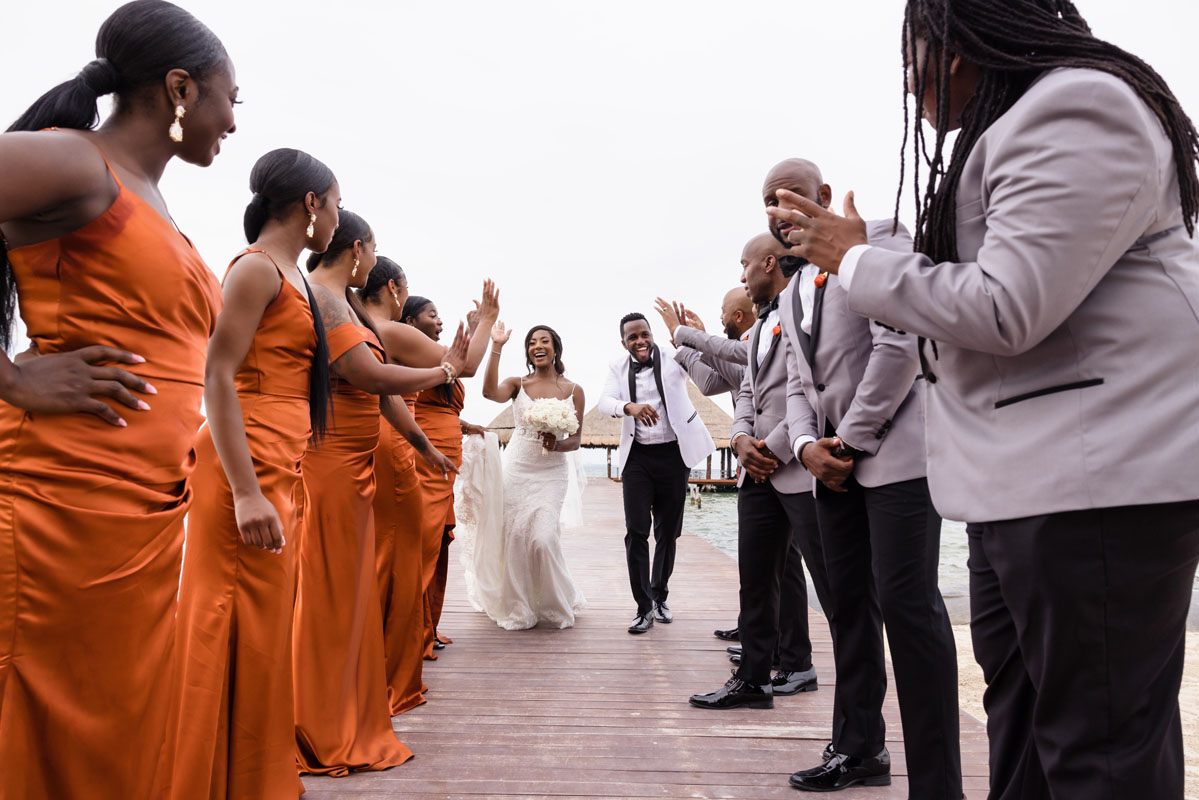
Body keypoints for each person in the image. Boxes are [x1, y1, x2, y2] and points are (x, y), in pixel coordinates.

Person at [767, 3, 1199, 797]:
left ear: (959, 44)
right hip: (1020, 483)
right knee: (1024, 723)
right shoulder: (1013, 123)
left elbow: (1008, 306)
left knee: (1096, 747)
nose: (908, 83)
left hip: (1095, 481)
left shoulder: (1077, 105)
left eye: (912, 58)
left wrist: (857, 261)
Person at [0, 4, 234, 797]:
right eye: (229, 98)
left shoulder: (149, 195)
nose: (233, 121)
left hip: (136, 526)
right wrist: (10, 375)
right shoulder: (77, 163)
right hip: (55, 509)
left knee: (112, 746)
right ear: (179, 90)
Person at [763, 158, 961, 796]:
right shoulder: (791, 293)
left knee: (910, 610)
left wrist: (849, 440)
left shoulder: (880, 240)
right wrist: (803, 445)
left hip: (896, 459)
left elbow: (898, 346)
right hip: (829, 471)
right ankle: (859, 750)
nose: (778, 210)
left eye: (789, 197)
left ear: (822, 195)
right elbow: (799, 383)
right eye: (767, 202)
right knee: (848, 608)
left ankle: (937, 784)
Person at [162, 148, 337, 800]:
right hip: (246, 469)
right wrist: (244, 492)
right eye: (335, 203)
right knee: (224, 622)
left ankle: (251, 775)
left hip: (280, 463)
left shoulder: (291, 274)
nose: (336, 218)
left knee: (263, 637)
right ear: (312, 203)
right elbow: (217, 375)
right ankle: (206, 780)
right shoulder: (255, 269)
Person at [294, 210, 465, 776]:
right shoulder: (321, 295)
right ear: (360, 249)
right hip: (331, 460)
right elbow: (366, 376)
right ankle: (317, 721)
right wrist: (444, 371)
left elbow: (381, 397)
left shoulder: (338, 298)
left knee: (353, 596)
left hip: (360, 461)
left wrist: (424, 446)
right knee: (331, 594)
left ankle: (349, 706)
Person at [688, 232, 833, 709]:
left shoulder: (805, 308)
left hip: (793, 468)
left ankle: (811, 674)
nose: (742, 274)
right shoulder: (759, 327)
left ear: (769, 263)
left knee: (827, 584)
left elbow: (808, 390)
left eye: (745, 265)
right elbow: (747, 391)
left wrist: (770, 449)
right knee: (756, 578)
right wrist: (739, 439)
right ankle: (753, 679)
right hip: (756, 470)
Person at [359, 258, 495, 712]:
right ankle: (390, 657)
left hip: (397, 442)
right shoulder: (391, 331)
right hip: (402, 447)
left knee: (399, 550)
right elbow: (466, 367)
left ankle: (405, 640)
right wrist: (488, 322)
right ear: (395, 290)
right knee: (408, 553)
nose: (435, 319)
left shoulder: (355, 325)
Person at [597, 313, 715, 634]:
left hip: (674, 455)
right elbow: (603, 402)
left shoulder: (673, 356)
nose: (640, 341)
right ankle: (643, 607)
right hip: (638, 459)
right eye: (633, 337)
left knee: (668, 531)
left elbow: (705, 368)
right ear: (624, 343)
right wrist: (629, 407)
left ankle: (660, 595)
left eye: (644, 334)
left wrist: (695, 335)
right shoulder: (617, 367)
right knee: (636, 530)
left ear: (652, 335)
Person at [473, 322, 587, 629]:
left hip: (552, 474)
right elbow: (487, 392)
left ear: (555, 348)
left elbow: (575, 440)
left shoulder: (574, 390)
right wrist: (496, 346)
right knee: (516, 537)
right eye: (532, 342)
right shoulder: (516, 385)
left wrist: (558, 443)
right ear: (527, 351)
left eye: (544, 341)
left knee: (542, 538)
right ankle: (520, 605)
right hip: (517, 470)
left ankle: (552, 600)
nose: (537, 346)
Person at [406, 294, 496, 659]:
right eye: (432, 315)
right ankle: (411, 634)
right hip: (424, 460)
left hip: (445, 468)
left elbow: (441, 403)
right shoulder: (414, 355)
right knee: (423, 547)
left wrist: (465, 424)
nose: (440, 321)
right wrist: (482, 324)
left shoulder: (435, 358)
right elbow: (415, 403)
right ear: (410, 322)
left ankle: (428, 625)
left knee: (439, 545)